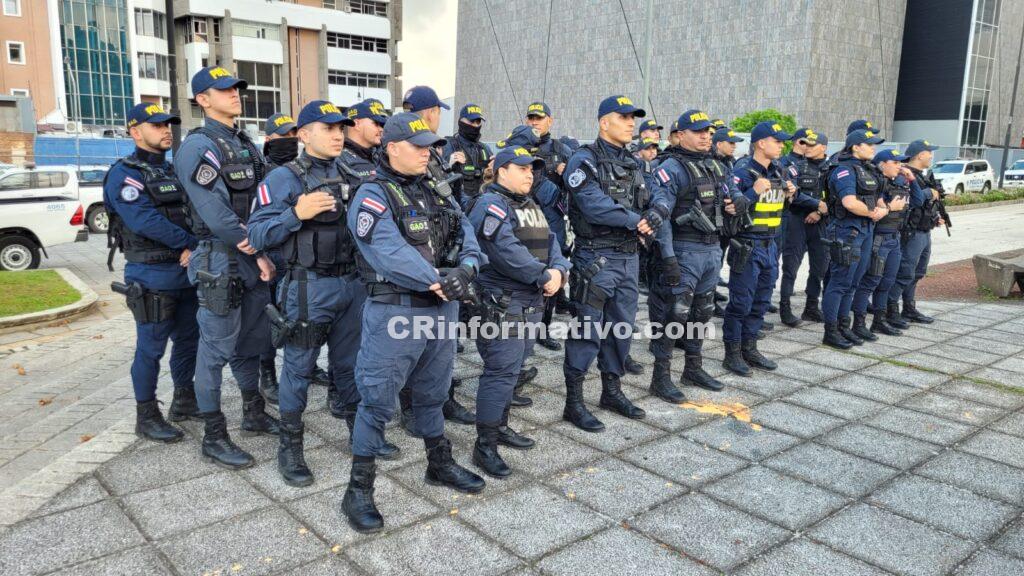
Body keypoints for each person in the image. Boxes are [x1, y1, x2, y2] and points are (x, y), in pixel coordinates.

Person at [342, 112, 487, 533]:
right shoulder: (372, 194)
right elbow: (388, 252)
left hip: (442, 309)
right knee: (377, 400)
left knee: (434, 392)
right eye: (418, 146)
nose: (427, 153)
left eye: (430, 146)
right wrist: (439, 280)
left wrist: (467, 270)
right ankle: (358, 489)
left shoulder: (435, 189)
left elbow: (467, 232)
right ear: (391, 148)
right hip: (397, 312)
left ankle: (438, 463)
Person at [248, 100, 401, 487]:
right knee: (298, 369)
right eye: (327, 128)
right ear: (303, 134)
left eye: (340, 128)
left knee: (351, 365)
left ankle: (358, 433)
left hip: (353, 285)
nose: (337, 135)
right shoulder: (283, 179)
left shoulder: (354, 171)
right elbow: (257, 235)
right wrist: (294, 214)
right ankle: (290, 447)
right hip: (308, 287)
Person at [175, 66, 279, 469]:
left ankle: (253, 412)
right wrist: (257, 250)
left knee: (251, 341)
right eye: (224, 90)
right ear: (203, 100)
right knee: (216, 348)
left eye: (236, 88)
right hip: (221, 257)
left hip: (248, 256)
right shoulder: (199, 147)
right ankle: (214, 435)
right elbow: (216, 212)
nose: (235, 94)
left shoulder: (243, 142)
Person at [467, 145, 571, 477]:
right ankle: (484, 446)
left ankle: (500, 427)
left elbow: (551, 240)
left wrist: (559, 270)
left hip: (531, 301)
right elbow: (505, 252)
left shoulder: (529, 203)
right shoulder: (490, 205)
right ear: (502, 171)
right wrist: (545, 276)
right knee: (500, 373)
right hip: (503, 302)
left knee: (513, 369)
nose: (530, 174)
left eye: (532, 169)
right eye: (522, 168)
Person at [561, 95, 657, 432]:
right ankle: (574, 402)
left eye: (633, 118)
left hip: (629, 257)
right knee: (587, 329)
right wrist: (635, 221)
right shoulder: (583, 160)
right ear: (604, 122)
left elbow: (654, 194)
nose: (631, 124)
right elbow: (593, 205)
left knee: (621, 328)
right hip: (596, 257)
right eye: (624, 117)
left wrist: (656, 212)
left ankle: (611, 391)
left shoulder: (634, 162)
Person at [104, 103, 199, 443]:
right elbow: (145, 221)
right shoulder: (125, 174)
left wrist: (195, 246)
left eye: (167, 124)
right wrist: (190, 243)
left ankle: (184, 400)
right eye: (156, 125)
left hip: (186, 271)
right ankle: (145, 416)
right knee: (151, 348)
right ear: (135, 132)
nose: (165, 130)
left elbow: (193, 212)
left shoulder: (172, 171)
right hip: (151, 274)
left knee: (190, 340)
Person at [648, 109, 744, 400]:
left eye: (708, 132)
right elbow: (661, 215)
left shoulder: (716, 165)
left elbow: (734, 191)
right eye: (698, 131)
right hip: (684, 249)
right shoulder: (670, 168)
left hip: (711, 249)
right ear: (680, 135)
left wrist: (738, 202)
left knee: (703, 312)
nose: (706, 137)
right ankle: (660, 377)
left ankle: (693, 368)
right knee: (675, 314)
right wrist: (668, 257)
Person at [401, 85, 476, 429]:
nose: (437, 118)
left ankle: (441, 398)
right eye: (436, 112)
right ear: (429, 112)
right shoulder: (404, 151)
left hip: (442, 254)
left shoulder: (430, 154)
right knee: (414, 343)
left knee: (442, 345)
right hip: (417, 259)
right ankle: (411, 408)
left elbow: (449, 203)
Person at [722, 121, 796, 375]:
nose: (782, 146)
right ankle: (732, 354)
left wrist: (790, 195)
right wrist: (753, 192)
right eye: (777, 141)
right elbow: (730, 208)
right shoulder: (741, 171)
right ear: (761, 143)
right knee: (740, 303)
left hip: (770, 244)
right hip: (747, 244)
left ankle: (750, 348)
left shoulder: (779, 170)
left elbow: (778, 207)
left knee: (761, 301)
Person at [821, 129, 888, 349]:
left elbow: (878, 198)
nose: (873, 148)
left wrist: (882, 210)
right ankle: (830, 332)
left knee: (853, 283)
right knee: (839, 282)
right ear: (856, 147)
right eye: (869, 144)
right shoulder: (844, 169)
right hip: (847, 230)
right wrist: (872, 213)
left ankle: (844, 327)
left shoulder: (867, 169)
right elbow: (849, 202)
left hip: (865, 230)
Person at [850, 148, 916, 340]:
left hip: (894, 238)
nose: (899, 166)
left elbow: (917, 201)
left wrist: (911, 180)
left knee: (887, 282)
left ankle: (879, 321)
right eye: (895, 162)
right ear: (882, 164)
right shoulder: (875, 185)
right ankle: (859, 324)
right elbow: (875, 212)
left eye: (900, 162)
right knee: (870, 281)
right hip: (878, 239)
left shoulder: (898, 183)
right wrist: (890, 207)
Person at [257, 112, 298, 407]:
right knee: (269, 318)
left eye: (294, 134)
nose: (291, 140)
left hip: (294, 254)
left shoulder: (300, 170)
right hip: (270, 254)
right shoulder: (261, 171)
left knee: (298, 314)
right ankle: (267, 374)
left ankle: (307, 365)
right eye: (284, 135)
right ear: (269, 139)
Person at [777, 128, 830, 326]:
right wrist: (816, 205)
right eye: (805, 144)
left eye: (812, 145)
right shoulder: (794, 168)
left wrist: (819, 212)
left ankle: (811, 308)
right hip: (796, 221)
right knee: (790, 267)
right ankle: (785, 309)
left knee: (819, 267)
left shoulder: (832, 168)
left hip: (821, 223)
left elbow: (837, 197)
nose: (807, 148)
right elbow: (792, 194)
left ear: (823, 148)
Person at [890, 139, 943, 325]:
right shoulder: (903, 174)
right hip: (911, 232)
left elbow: (924, 207)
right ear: (920, 155)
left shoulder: (921, 176)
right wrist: (929, 193)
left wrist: (935, 218)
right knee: (905, 272)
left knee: (918, 272)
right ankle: (890, 310)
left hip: (924, 231)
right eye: (929, 153)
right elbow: (907, 200)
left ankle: (909, 308)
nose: (931, 156)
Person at [443, 104, 492, 207]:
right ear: (461, 121)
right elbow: (437, 179)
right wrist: (449, 164)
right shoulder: (448, 145)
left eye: (478, 122)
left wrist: (496, 169)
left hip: (482, 206)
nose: (475, 125)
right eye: (471, 121)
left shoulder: (485, 149)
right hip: (456, 207)